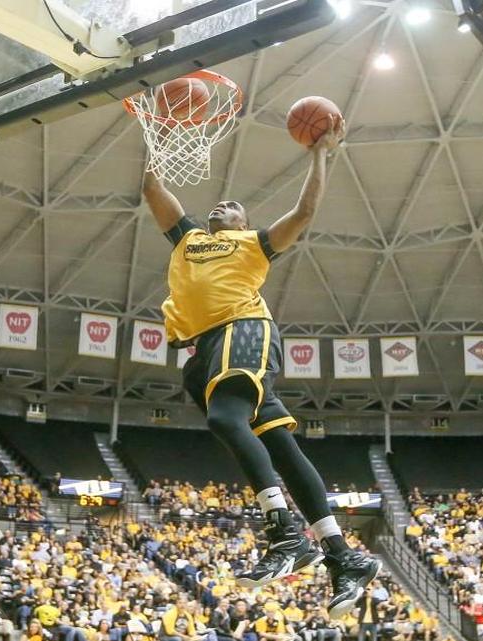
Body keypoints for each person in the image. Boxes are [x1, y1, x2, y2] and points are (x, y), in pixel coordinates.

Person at [142, 107, 379, 619]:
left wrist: (319, 155)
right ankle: (343, 557)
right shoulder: (189, 239)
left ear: (244, 223)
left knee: (225, 418)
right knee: (281, 447)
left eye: (233, 205)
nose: (222, 205)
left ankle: (283, 530)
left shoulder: (252, 244)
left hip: (241, 329)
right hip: (204, 348)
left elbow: (305, 212)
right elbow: (154, 193)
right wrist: (159, 140)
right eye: (219, 203)